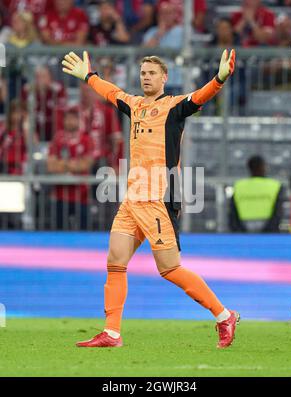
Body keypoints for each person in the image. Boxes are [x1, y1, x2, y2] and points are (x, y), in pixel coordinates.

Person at [62, 48, 239, 349]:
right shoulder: (133, 105)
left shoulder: (173, 107)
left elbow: (200, 96)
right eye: (143, 73)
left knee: (169, 268)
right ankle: (112, 333)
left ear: (164, 78)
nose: (146, 77)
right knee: (115, 262)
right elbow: (111, 92)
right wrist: (89, 77)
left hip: (158, 198)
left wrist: (220, 78)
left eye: (152, 73)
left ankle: (224, 315)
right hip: (132, 199)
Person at [47, 106, 93, 230]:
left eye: (74, 118)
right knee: (58, 233)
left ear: (80, 120)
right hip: (60, 194)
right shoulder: (57, 139)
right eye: (68, 118)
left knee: (85, 233)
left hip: (81, 195)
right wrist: (74, 164)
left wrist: (62, 164)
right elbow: (51, 166)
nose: (70, 121)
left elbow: (86, 164)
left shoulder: (86, 139)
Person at [229, 155, 283, 233]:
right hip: (268, 230)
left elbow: (233, 213)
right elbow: (278, 212)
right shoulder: (275, 186)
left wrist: (239, 231)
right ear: (263, 167)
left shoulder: (238, 186)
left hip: (244, 228)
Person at [21, 66, 67, 142]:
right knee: (25, 121)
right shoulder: (28, 91)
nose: (40, 80)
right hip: (34, 131)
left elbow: (62, 107)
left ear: (50, 78)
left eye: (43, 76)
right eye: (38, 77)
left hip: (54, 130)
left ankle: (57, 143)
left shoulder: (58, 90)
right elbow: (23, 110)